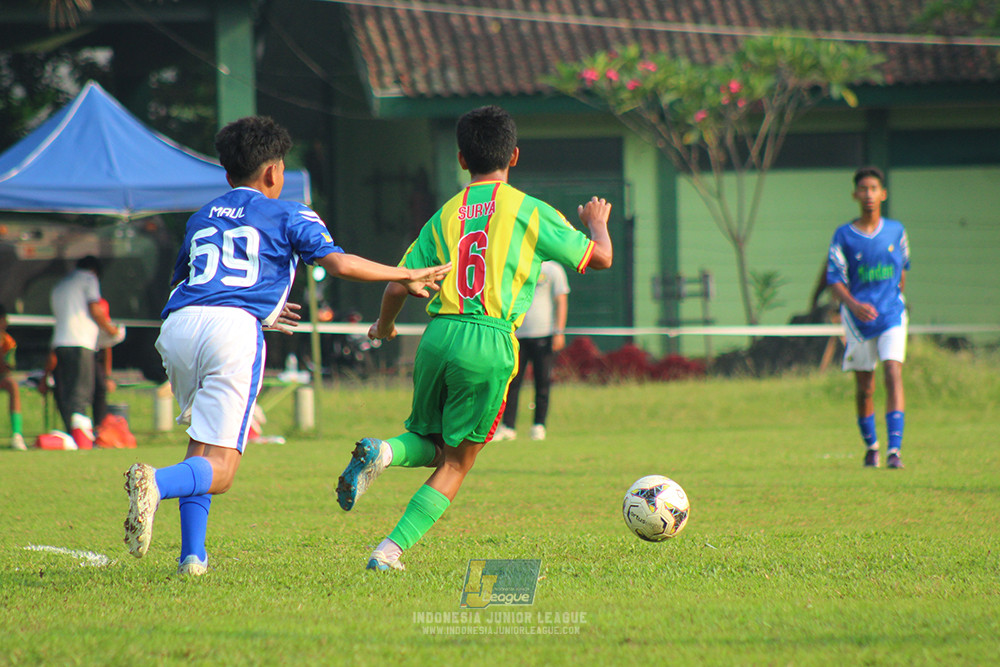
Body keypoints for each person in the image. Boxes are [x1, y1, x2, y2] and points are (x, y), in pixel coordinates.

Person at [121, 115, 449, 576]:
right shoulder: (290, 211)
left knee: (202, 444)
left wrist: (262, 308)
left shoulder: (201, 216)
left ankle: (192, 558)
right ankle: (155, 482)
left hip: (179, 326)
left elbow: (197, 280)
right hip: (231, 332)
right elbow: (337, 264)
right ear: (274, 171)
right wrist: (405, 273)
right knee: (224, 470)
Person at [336, 105, 613, 571]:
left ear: (462, 159)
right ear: (515, 156)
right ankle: (388, 552)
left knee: (427, 440)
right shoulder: (530, 211)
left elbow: (397, 282)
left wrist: (383, 327)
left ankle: (383, 451)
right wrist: (597, 221)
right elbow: (600, 258)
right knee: (458, 462)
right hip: (488, 338)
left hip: (438, 334)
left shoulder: (445, 214)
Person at [826, 166, 910, 469]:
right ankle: (872, 446)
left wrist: (896, 301)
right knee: (865, 388)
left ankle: (894, 452)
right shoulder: (844, 235)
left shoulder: (896, 231)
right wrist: (853, 303)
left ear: (883, 194)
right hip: (858, 320)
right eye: (863, 189)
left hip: (891, 315)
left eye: (874, 188)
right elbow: (834, 279)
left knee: (892, 371)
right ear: (855, 194)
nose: (869, 194)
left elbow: (902, 272)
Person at [49, 255, 122, 449]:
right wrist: (111, 330)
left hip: (60, 343)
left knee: (67, 391)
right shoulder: (89, 279)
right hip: (80, 342)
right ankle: (82, 440)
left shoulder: (61, 285)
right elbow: (95, 310)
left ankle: (71, 435)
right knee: (81, 392)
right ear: (95, 270)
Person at [493, 260, 570, 441]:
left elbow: (561, 301)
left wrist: (559, 331)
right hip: (517, 335)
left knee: (542, 380)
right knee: (512, 382)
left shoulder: (553, 269)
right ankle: (508, 426)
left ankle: (538, 425)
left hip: (544, 333)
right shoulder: (516, 264)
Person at [0, 304, 26, 450]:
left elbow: (8, 368)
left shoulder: (8, 342)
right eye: (3, 320)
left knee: (12, 385)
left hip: (1, 376)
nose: (6, 323)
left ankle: (17, 435)